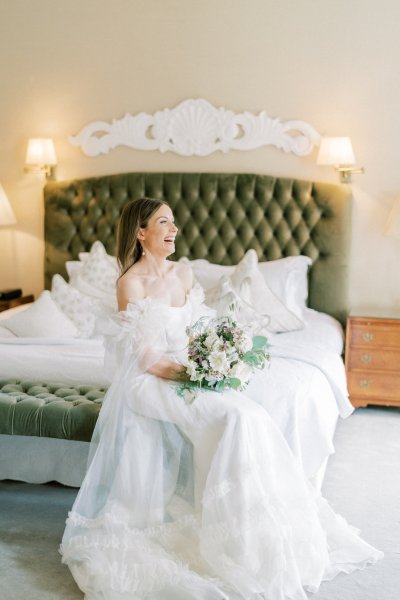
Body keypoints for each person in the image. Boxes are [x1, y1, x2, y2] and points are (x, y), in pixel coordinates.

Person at [61, 197, 382, 600]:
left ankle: (249, 531)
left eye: (174, 221)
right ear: (141, 232)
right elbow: (143, 357)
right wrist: (195, 374)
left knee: (248, 414)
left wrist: (221, 360)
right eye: (164, 223)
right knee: (233, 417)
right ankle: (223, 530)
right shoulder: (131, 283)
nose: (173, 229)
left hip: (186, 370)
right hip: (150, 380)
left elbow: (198, 330)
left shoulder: (184, 273)